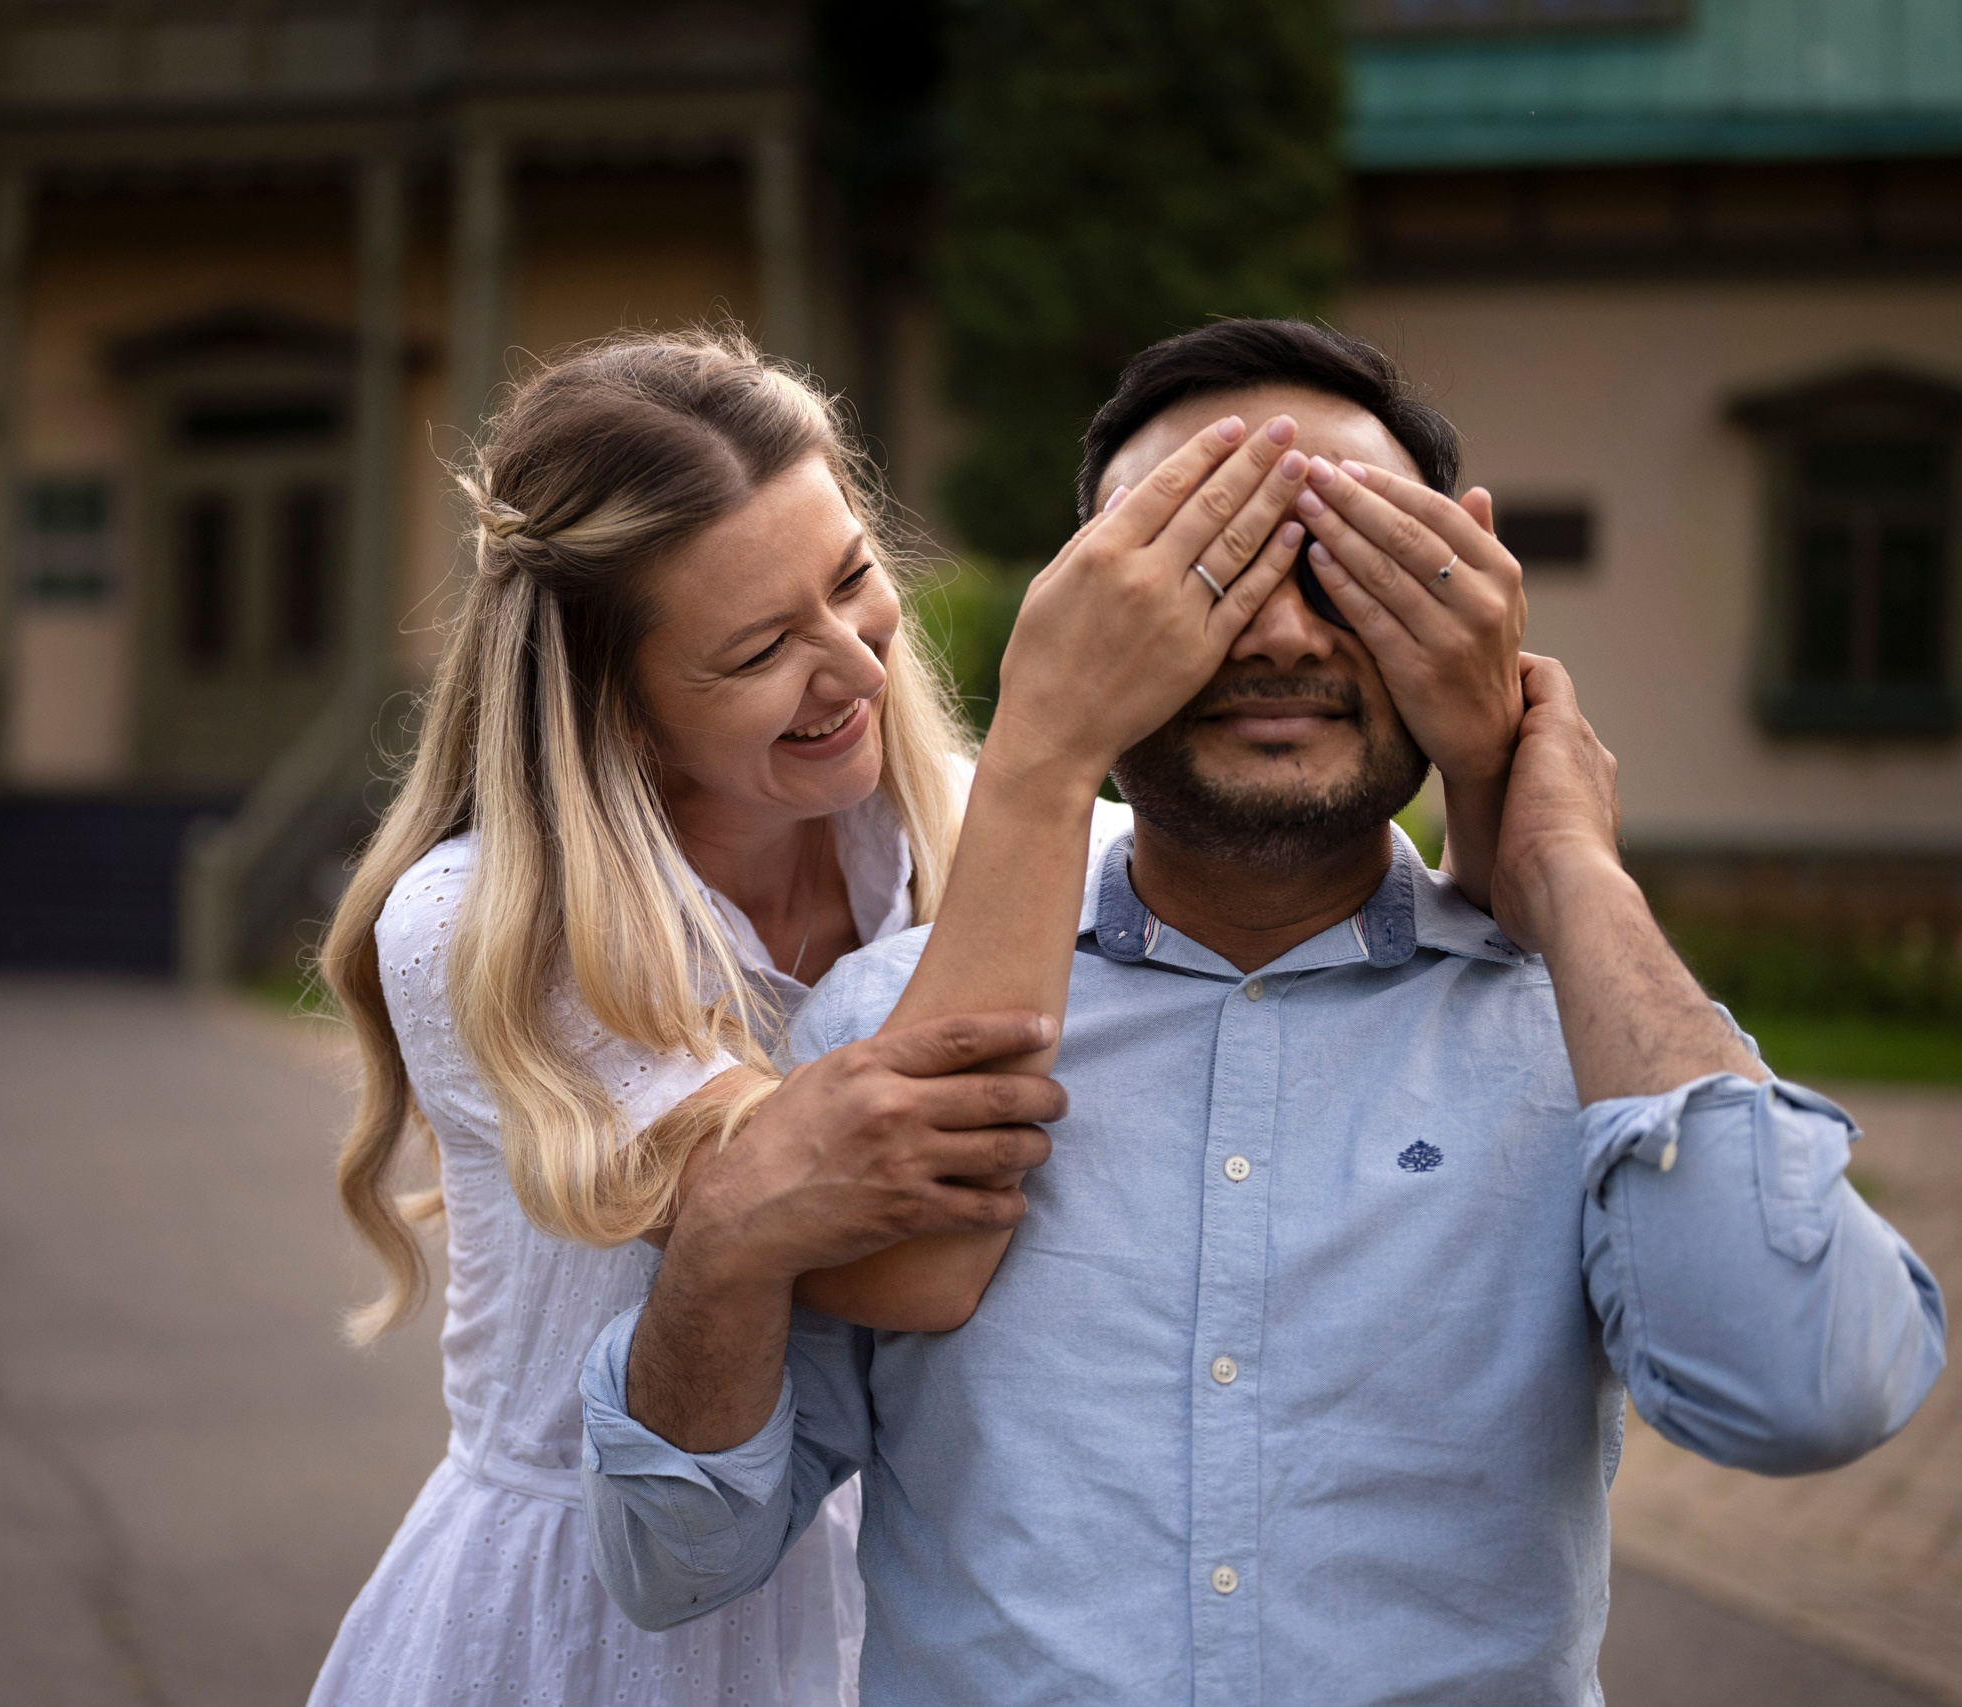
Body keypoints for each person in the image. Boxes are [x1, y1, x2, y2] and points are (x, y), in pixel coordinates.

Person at [579, 321, 1949, 1705]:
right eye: (1206, 570)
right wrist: (720, 1256)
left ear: (1464, 602)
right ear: (1084, 619)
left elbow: (1808, 1394)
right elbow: (677, 1559)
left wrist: (1568, 869)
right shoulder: (875, 1024)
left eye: (1348, 567)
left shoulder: (1592, 1033)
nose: (1283, 634)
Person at [305, 328, 1517, 1705]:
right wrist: (1050, 748)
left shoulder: (978, 842)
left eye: (853, 581)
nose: (856, 666)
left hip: (901, 1599)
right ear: (620, 710)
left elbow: (1395, 941)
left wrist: (1486, 766)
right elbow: (913, 1266)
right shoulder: (490, 925)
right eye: (762, 647)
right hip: (596, 1619)